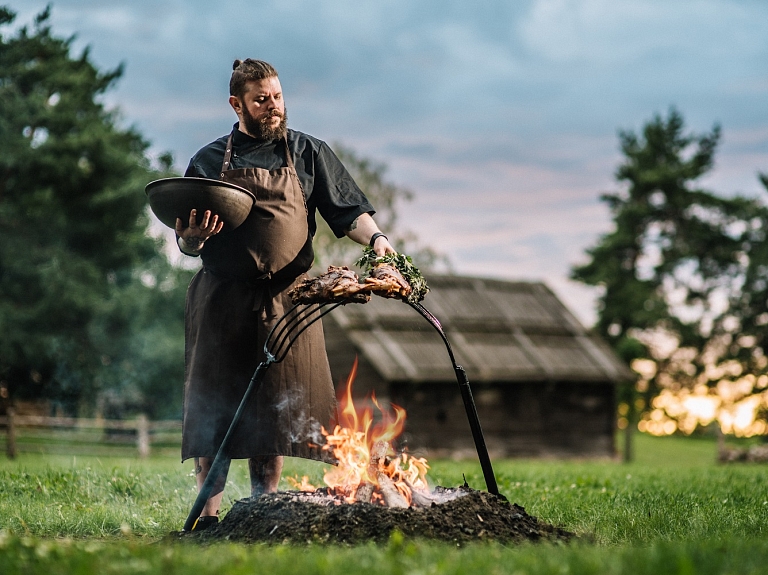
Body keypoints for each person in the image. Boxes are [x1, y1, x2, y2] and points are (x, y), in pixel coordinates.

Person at [176, 59, 395, 531]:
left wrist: (378, 240)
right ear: (237, 104)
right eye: (261, 99)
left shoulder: (309, 152)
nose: (272, 105)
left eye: (276, 95)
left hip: (288, 302)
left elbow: (349, 212)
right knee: (217, 408)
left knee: (273, 414)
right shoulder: (210, 161)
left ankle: (260, 512)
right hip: (222, 300)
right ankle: (207, 520)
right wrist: (193, 238)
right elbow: (186, 241)